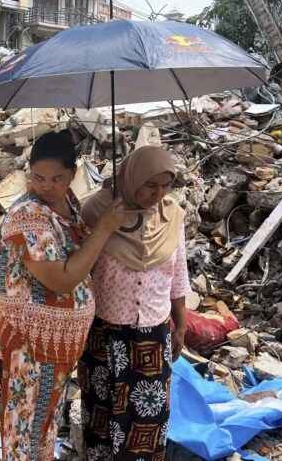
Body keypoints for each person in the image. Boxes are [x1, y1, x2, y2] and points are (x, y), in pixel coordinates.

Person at [0, 131, 124, 461]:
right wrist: (105, 229)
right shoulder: (28, 216)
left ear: (72, 174)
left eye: (57, 178)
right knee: (25, 425)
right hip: (33, 343)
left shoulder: (67, 204)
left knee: (46, 422)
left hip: (60, 344)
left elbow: (79, 250)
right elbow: (62, 280)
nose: (46, 186)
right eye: (38, 177)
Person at [80, 146, 191, 461]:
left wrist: (180, 326)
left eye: (165, 185)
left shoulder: (171, 216)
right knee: (103, 417)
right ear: (131, 180)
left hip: (152, 337)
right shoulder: (98, 211)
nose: (157, 194)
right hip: (104, 334)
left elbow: (178, 273)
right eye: (149, 185)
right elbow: (79, 268)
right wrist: (105, 228)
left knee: (147, 419)